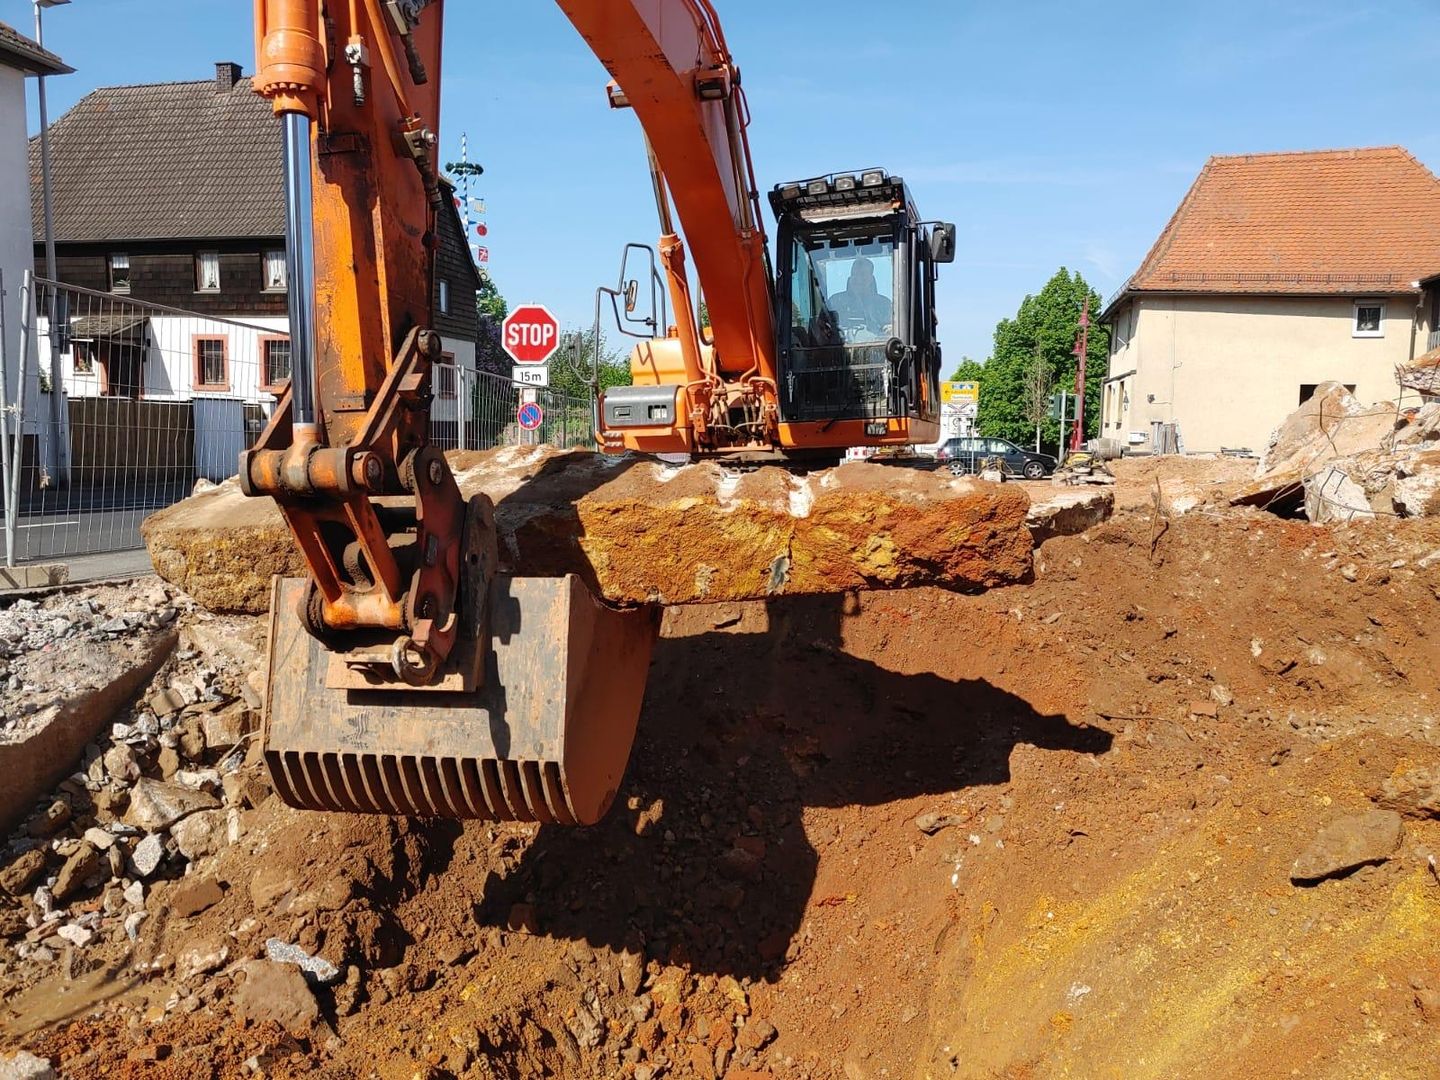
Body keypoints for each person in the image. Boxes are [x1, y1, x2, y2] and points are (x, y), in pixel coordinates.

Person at [828, 257, 892, 334]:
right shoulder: (835, 303)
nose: (858, 279)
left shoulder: (884, 305)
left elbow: (891, 331)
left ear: (871, 278)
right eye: (854, 274)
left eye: (862, 274)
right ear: (850, 277)